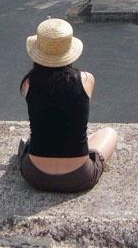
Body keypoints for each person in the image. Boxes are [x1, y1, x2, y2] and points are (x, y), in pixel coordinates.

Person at [18, 19, 118, 193]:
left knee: (40, 134)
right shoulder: (87, 79)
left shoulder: (28, 83)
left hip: (34, 175)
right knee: (109, 133)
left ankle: (27, 148)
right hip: (79, 177)